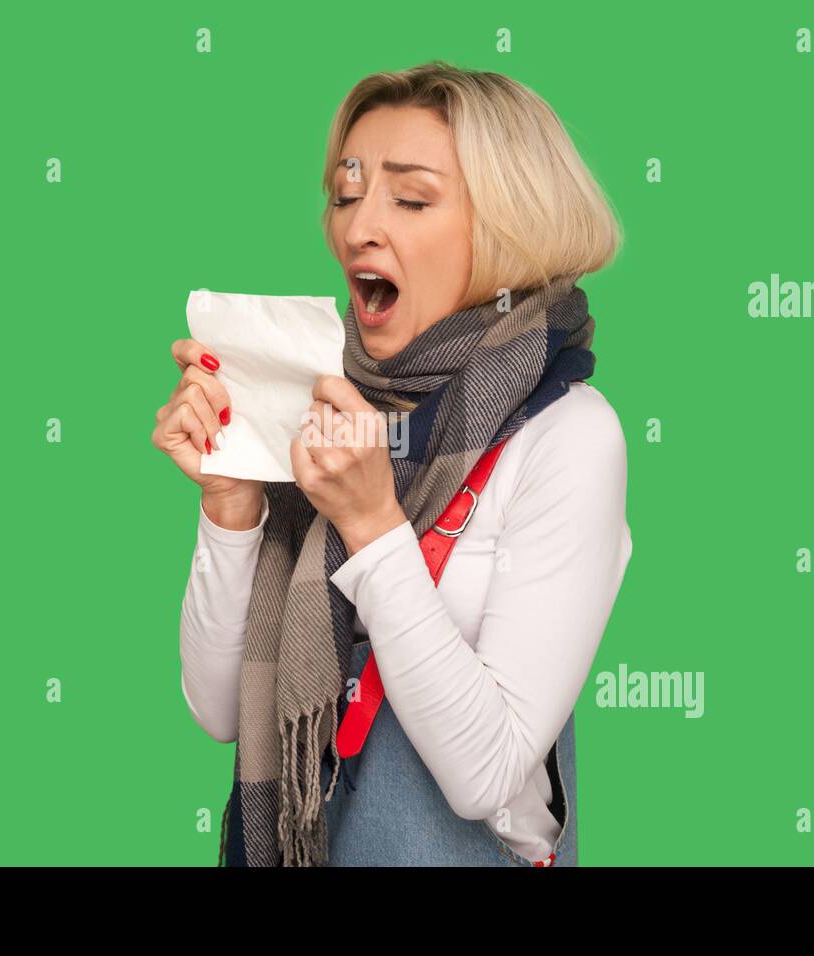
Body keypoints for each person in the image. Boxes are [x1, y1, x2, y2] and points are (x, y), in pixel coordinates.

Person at [153, 61, 632, 866]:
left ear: (509, 227)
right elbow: (221, 711)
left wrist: (371, 525)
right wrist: (231, 503)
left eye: (409, 199)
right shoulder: (320, 402)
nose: (356, 229)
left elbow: (486, 774)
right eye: (346, 195)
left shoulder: (570, 435)